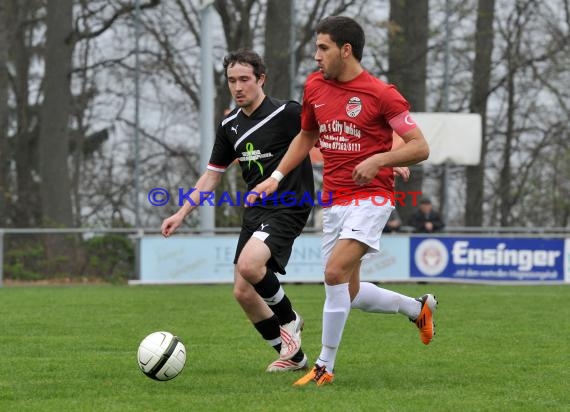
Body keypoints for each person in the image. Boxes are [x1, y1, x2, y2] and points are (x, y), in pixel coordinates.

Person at [249, 16, 437, 386]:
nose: (316, 55)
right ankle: (418, 310)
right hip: (334, 200)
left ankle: (323, 365)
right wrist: (274, 178)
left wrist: (381, 159)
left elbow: (420, 146)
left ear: (345, 50)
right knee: (347, 293)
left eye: (323, 48)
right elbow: (305, 137)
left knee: (333, 274)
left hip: (372, 198)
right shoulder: (315, 86)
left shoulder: (382, 94)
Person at [161, 49, 314, 372]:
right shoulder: (229, 125)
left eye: (244, 79)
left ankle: (290, 319)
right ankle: (294, 357)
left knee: (249, 264)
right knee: (244, 293)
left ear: (261, 80)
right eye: (232, 80)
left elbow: (323, 138)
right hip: (256, 210)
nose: (238, 86)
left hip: (289, 205)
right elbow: (212, 174)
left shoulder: (286, 112)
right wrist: (181, 213)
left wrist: (380, 160)